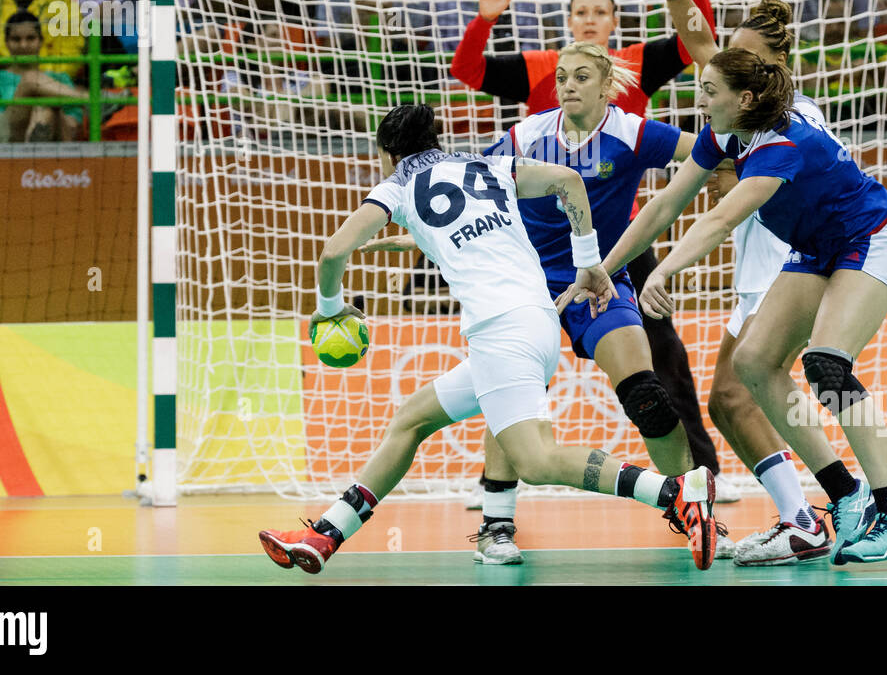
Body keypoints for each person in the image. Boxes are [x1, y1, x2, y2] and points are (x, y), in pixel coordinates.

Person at [577, 0, 887, 564]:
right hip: (814, 247)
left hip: (870, 237)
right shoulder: (729, 124)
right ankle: (841, 496)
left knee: (826, 366)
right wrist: (607, 266)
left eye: (721, 71)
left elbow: (715, 219)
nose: (705, 76)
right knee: (753, 366)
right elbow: (661, 209)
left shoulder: (785, 137)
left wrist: (660, 274)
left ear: (752, 79)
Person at [257, 103, 720, 574]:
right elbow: (569, 181)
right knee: (411, 420)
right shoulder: (485, 164)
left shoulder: (395, 186)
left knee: (537, 462)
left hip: (502, 331)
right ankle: (325, 535)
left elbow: (335, 250)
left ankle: (675, 491)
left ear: (386, 153)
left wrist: (331, 308)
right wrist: (587, 260)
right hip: (537, 319)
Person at [449, 0, 727, 522]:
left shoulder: (631, 72)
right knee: (518, 376)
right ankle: (498, 507)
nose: (591, 19)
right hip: (536, 259)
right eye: (582, 12)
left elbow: (699, 43)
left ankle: (699, 484)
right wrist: (485, 20)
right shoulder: (540, 77)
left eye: (601, 12)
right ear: (568, 20)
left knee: (662, 366)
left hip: (620, 243)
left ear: (613, 23)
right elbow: (468, 71)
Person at [0, 10, 89, 142]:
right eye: (16, 39)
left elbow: (72, 127)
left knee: (46, 106)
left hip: (56, 144)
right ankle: (92, 99)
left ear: (41, 41)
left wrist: (49, 106)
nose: (23, 45)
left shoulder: (61, 78)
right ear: (6, 42)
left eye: (30, 38)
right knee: (31, 81)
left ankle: (36, 148)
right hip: (9, 143)